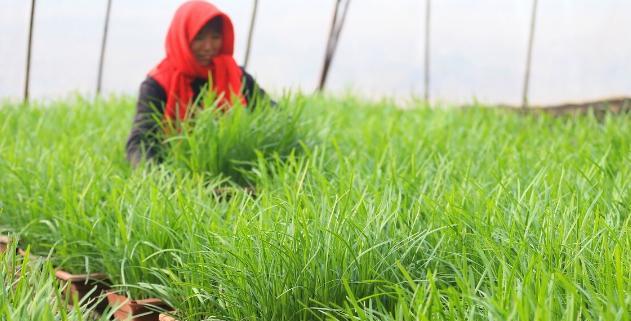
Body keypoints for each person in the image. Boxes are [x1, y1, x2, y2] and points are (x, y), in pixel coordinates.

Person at [126, 0, 273, 167]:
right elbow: (140, 141)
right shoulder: (158, 84)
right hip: (174, 172)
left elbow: (272, 115)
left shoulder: (235, 76)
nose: (208, 47)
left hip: (230, 171)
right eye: (199, 38)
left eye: (215, 37)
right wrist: (160, 180)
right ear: (182, 38)